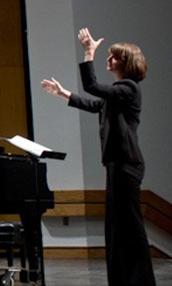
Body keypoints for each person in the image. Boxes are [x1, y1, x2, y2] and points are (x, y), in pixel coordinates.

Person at [41, 28, 154, 286]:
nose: (109, 60)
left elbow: (92, 87)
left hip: (126, 164)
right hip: (116, 164)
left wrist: (89, 53)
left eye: (114, 57)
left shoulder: (128, 88)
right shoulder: (117, 94)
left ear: (127, 63)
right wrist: (63, 93)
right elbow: (95, 104)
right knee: (115, 228)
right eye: (109, 55)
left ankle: (140, 281)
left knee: (130, 228)